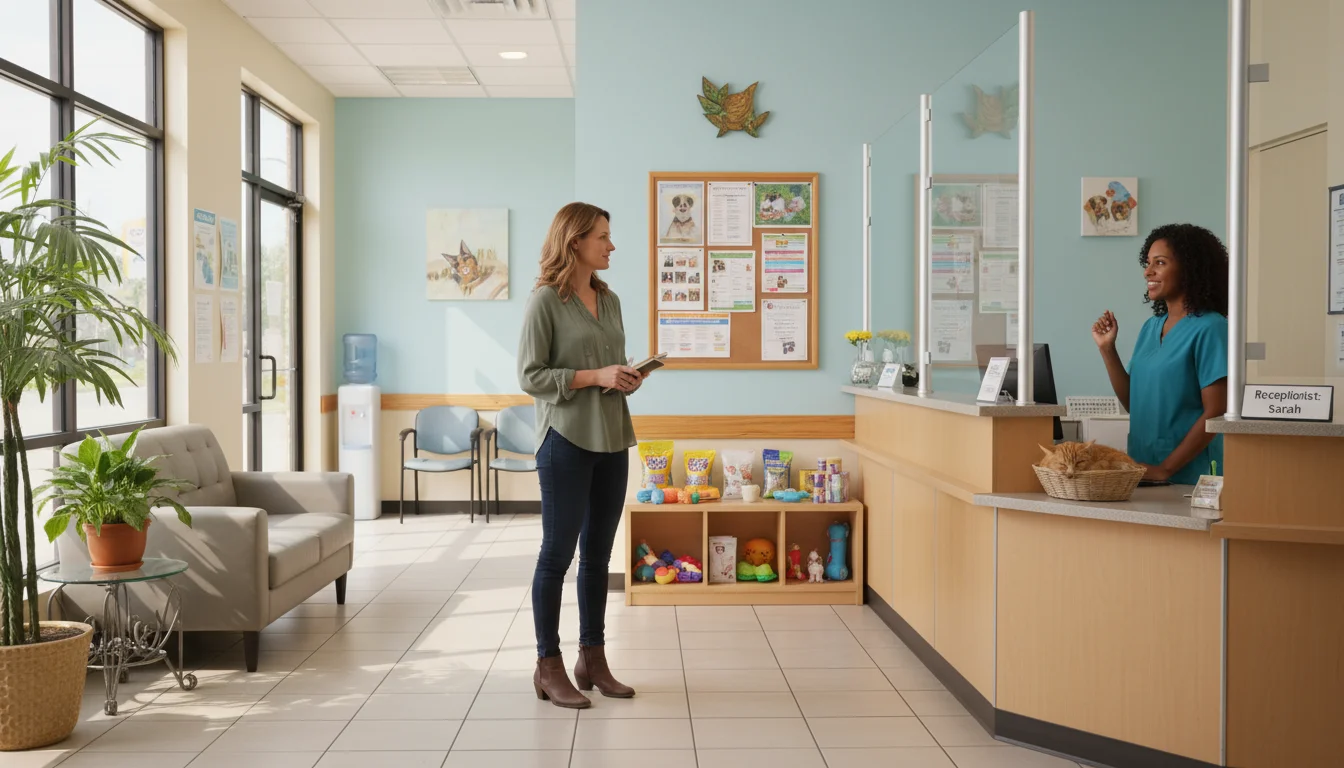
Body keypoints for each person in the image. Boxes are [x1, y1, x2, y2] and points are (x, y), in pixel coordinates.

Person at [517, 202, 646, 709]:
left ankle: (592, 659)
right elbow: (530, 376)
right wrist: (595, 377)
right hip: (565, 440)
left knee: (597, 557)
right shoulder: (545, 301)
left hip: (612, 437)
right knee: (556, 556)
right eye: (603, 237)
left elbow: (607, 364)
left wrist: (624, 377)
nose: (611, 245)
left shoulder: (609, 299)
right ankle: (547, 665)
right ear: (575, 242)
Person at [1091, 223, 1229, 484]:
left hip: (1190, 477)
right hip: (1144, 469)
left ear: (1190, 269)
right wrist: (1107, 349)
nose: (1148, 272)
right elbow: (1136, 403)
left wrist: (1165, 469)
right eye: (1148, 262)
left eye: (1160, 263)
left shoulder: (1212, 328)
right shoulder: (1151, 327)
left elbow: (1216, 412)